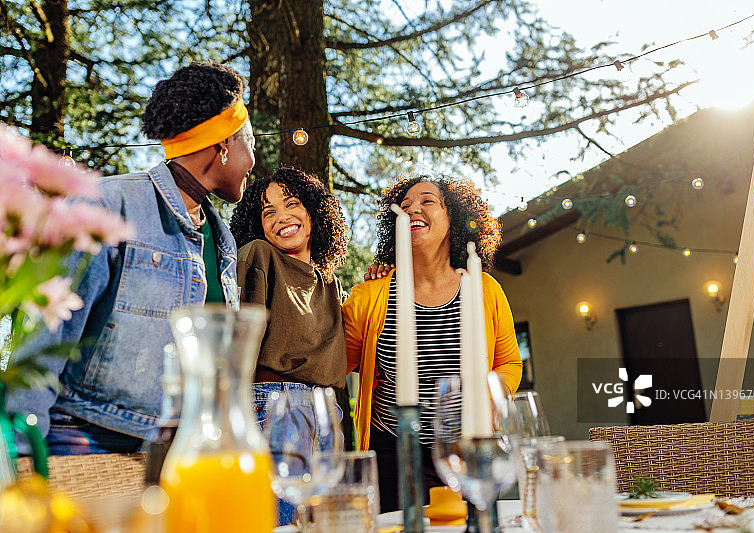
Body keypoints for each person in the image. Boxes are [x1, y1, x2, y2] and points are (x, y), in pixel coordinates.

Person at [7, 61, 255, 455]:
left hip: (178, 452)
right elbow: (44, 336)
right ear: (224, 143)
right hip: (88, 442)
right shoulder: (108, 204)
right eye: (250, 143)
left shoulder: (221, 238)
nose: (253, 161)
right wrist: (21, 454)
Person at [342, 175, 523, 512]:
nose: (413, 209)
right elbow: (336, 365)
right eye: (405, 205)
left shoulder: (483, 288)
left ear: (453, 218)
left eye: (427, 201)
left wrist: (487, 396)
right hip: (394, 450)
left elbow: (510, 362)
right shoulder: (371, 295)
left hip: (469, 446)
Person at [229, 167, 350, 526]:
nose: (281, 217)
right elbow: (235, 340)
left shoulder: (329, 282)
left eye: (292, 204)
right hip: (273, 404)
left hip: (326, 412)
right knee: (282, 522)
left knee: (322, 524)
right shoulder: (258, 255)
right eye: (268, 212)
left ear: (314, 213)